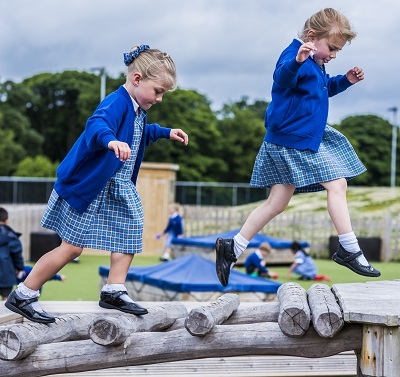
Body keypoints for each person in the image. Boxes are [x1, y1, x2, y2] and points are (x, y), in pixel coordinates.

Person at [5, 44, 189, 323]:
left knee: (131, 228)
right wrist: (111, 140)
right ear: (137, 79)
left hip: (116, 185)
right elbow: (97, 125)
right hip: (90, 186)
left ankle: (114, 289)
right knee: (72, 248)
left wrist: (165, 132)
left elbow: (141, 133)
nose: (160, 98)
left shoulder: (138, 109)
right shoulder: (116, 103)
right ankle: (24, 294)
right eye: (158, 91)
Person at [215, 8, 380, 287]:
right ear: (311, 37)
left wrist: (345, 81)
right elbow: (282, 80)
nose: (334, 55)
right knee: (337, 184)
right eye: (332, 48)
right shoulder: (295, 55)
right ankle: (349, 248)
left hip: (297, 137)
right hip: (292, 138)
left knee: (277, 202)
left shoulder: (316, 63)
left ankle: (234, 247)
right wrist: (297, 60)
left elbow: (322, 87)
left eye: (338, 51)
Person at [0, 207, 24, 301]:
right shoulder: (10, 235)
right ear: (7, 220)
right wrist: (19, 267)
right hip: (6, 272)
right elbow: (16, 253)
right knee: (6, 298)